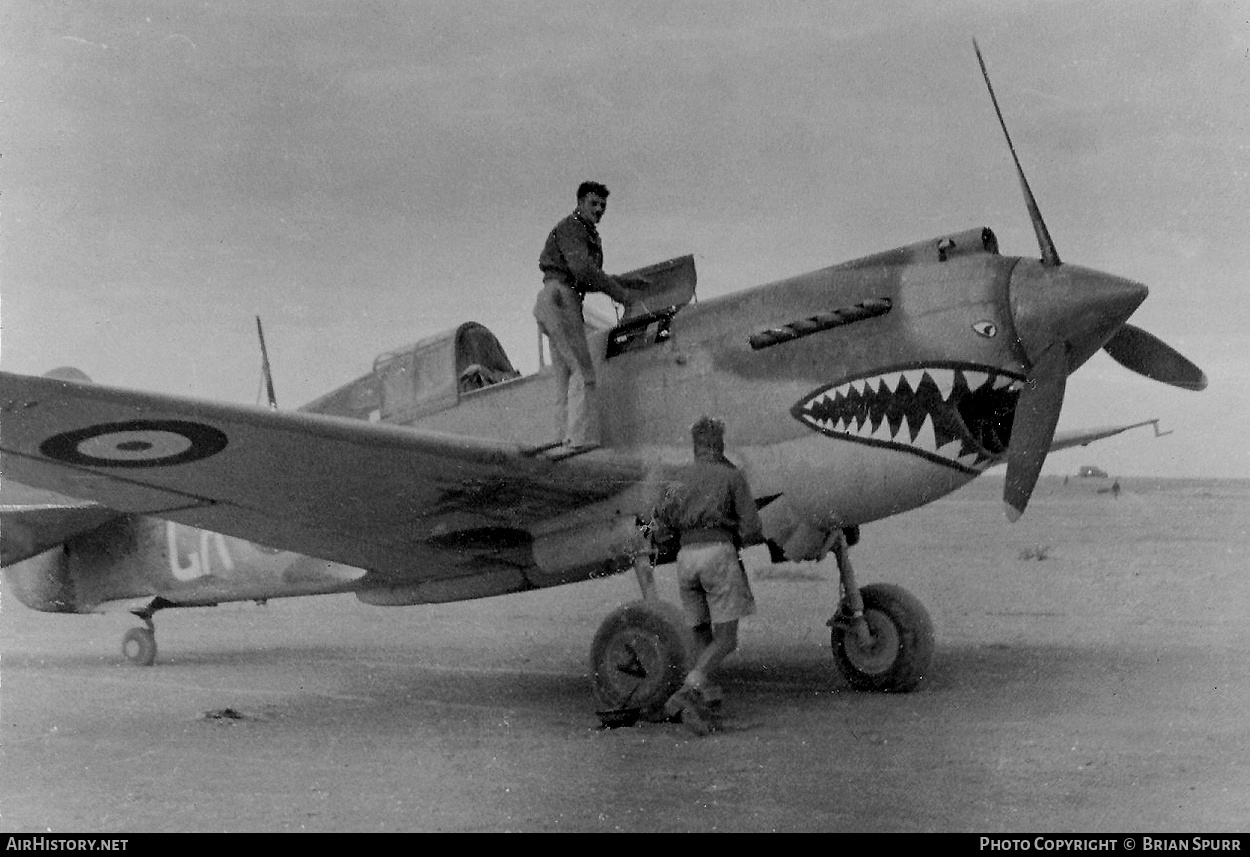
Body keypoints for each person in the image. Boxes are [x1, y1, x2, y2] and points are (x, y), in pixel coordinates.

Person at [650, 416, 765, 735]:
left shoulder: (677, 479)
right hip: (718, 554)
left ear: (695, 446)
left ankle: (707, 707)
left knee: (703, 635)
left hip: (685, 560)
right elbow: (753, 528)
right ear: (720, 444)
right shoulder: (732, 476)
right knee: (727, 639)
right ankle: (689, 691)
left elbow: (659, 526)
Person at [535, 181, 646, 450]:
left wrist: (624, 282)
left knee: (563, 376)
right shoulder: (574, 227)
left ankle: (561, 438)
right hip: (563, 299)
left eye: (603, 206)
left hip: (554, 299)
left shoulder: (578, 230)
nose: (599, 210)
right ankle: (581, 441)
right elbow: (583, 271)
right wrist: (622, 294)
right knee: (585, 373)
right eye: (594, 203)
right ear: (580, 202)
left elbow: (585, 276)